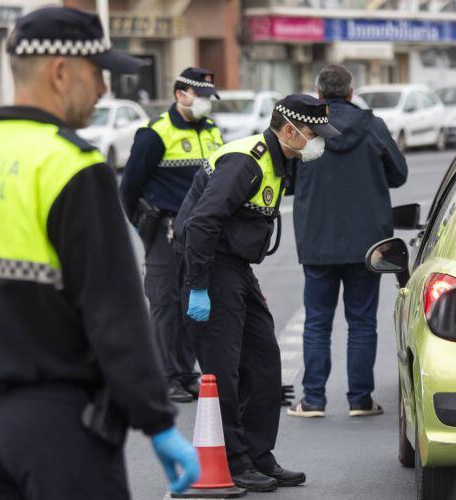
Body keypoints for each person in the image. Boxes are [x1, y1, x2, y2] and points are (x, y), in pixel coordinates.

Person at [0, 7, 198, 499]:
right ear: (60, 71)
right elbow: (114, 309)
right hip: (60, 425)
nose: (102, 89)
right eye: (97, 73)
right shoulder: (69, 165)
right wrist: (157, 422)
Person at [173, 93, 339, 492]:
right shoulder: (246, 161)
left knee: (264, 361)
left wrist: (246, 283)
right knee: (224, 371)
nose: (319, 141)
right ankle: (233, 461)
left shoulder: (280, 161)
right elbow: (200, 225)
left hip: (235, 268)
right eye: (314, 134)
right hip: (208, 265)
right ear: (289, 130)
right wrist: (198, 287)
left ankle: (259, 456)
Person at [287, 65, 408, 419]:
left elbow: (288, 179)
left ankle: (312, 400)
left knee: (317, 322)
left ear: (319, 94)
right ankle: (360, 399)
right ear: (352, 93)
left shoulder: (306, 131)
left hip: (317, 241)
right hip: (368, 243)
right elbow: (398, 174)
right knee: (362, 321)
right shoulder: (373, 127)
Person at [121, 67, 224, 403]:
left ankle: (186, 372)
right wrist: (143, 227)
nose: (206, 104)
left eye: (210, 98)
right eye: (201, 97)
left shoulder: (211, 131)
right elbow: (129, 188)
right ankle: (167, 377)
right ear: (181, 94)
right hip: (164, 232)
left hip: (200, 235)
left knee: (192, 303)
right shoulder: (155, 134)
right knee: (166, 304)